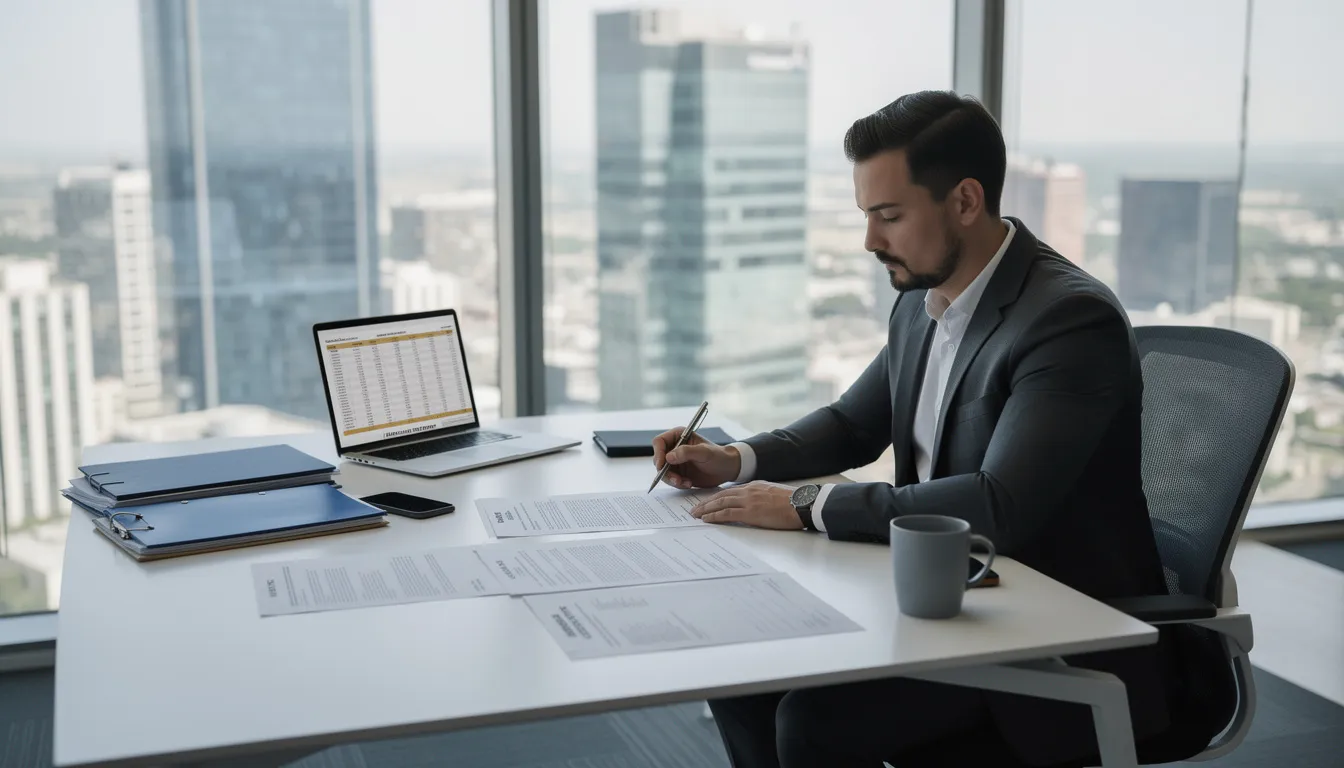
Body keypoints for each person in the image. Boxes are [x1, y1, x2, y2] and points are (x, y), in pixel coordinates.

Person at [651, 91, 1181, 768]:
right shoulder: (925, 298)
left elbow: (999, 506)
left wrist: (803, 505)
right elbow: (850, 424)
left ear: (963, 201)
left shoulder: (1068, 322)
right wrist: (734, 460)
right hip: (939, 602)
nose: (871, 241)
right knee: (739, 671)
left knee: (815, 723)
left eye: (889, 216)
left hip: (1047, 629)